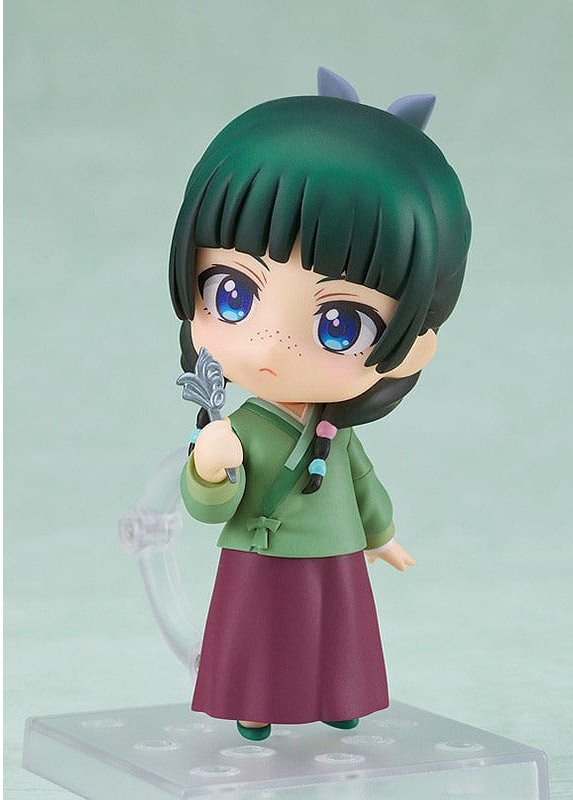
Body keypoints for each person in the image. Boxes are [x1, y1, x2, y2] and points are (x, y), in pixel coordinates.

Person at [169, 68, 471, 740]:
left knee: (337, 633)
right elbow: (208, 504)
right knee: (259, 633)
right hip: (261, 551)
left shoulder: (335, 429)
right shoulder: (240, 426)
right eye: (232, 295)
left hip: (335, 551)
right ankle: (255, 705)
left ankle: (340, 696)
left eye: (340, 323)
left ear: (413, 346)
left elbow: (362, 482)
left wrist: (381, 534)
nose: (271, 342)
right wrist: (210, 468)